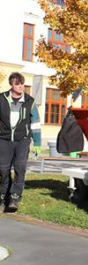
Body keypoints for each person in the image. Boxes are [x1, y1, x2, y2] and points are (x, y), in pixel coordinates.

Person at [0, 72, 41, 212]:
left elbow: (35, 123)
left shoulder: (30, 101)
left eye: (22, 83)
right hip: (4, 139)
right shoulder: (2, 99)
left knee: (20, 167)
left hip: (23, 140)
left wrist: (37, 142)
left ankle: (14, 198)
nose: (21, 86)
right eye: (17, 84)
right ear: (11, 84)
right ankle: (2, 196)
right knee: (3, 169)